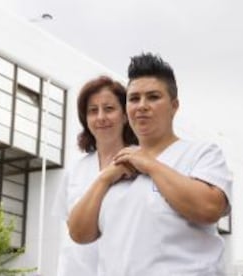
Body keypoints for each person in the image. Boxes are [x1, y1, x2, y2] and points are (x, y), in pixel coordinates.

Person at [68, 53, 232, 276]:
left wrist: (149, 164)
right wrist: (105, 178)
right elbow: (79, 233)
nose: (142, 106)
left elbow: (209, 209)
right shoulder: (117, 168)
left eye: (153, 97)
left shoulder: (201, 154)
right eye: (134, 99)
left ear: (174, 106)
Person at [52, 76, 137, 276]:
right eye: (93, 110)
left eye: (109, 109)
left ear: (125, 116)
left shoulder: (141, 161)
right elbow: (72, 232)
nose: (101, 117)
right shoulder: (75, 170)